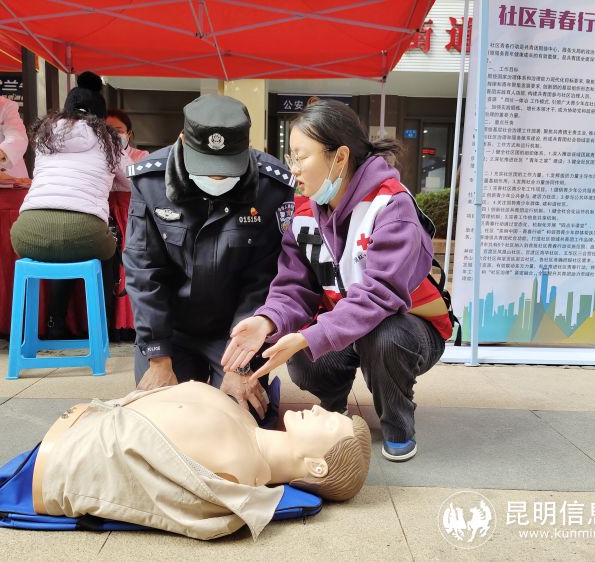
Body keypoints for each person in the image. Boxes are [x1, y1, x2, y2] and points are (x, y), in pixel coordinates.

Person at [222, 100, 453, 462]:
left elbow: (380, 295)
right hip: (348, 323)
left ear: (340, 157)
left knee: (384, 336)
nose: (293, 169)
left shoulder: (391, 207)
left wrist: (311, 336)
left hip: (409, 327)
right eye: (291, 157)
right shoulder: (303, 214)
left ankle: (397, 422)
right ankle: (334, 406)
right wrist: (267, 320)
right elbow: (293, 288)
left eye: (301, 157)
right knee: (302, 353)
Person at [123, 94, 295, 419]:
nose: (217, 180)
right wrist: (158, 356)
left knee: (238, 419)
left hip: (234, 331)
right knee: (160, 420)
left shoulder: (272, 186)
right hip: (171, 329)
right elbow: (144, 272)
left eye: (226, 170)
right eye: (208, 169)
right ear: (182, 142)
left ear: (247, 149)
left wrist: (241, 363)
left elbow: (263, 280)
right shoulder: (150, 182)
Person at [32, 381, 371, 539]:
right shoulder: (245, 425)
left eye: (329, 422)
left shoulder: (238, 471)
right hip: (83, 422)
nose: (318, 409)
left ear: (317, 466)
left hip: (59, 454)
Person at [10, 71, 132, 336]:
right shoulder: (109, 140)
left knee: (61, 250)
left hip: (26, 232)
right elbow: (131, 181)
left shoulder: (44, 137)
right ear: (100, 115)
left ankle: (53, 323)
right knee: (103, 248)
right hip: (85, 229)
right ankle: (101, 328)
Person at [106, 108, 149, 173]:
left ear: (129, 134)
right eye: (107, 131)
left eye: (118, 131)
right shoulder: (96, 155)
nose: (112, 135)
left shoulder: (142, 156)